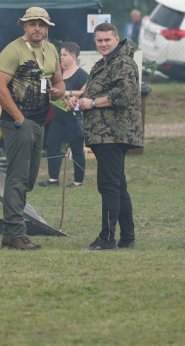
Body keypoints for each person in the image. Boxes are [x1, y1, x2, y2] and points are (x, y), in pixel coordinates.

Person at [0, 7, 65, 250]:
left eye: (42, 24)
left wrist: (60, 91)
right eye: (33, 24)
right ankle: (14, 233)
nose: (37, 28)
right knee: (18, 178)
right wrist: (19, 118)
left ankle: (12, 232)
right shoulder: (13, 50)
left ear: (47, 28)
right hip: (18, 123)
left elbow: (58, 80)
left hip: (39, 121)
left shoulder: (50, 49)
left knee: (29, 179)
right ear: (24, 25)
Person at [72, 23, 142, 250]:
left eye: (107, 40)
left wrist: (91, 103)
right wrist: (80, 98)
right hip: (104, 133)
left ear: (116, 39)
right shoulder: (104, 63)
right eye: (99, 40)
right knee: (118, 186)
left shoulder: (122, 62)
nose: (103, 44)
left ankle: (107, 238)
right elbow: (95, 90)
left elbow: (125, 94)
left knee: (109, 186)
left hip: (113, 132)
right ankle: (128, 239)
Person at [39, 41, 89, 188]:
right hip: (58, 117)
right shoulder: (58, 74)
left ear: (73, 56)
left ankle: (78, 181)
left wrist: (66, 93)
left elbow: (84, 92)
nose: (61, 58)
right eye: (61, 55)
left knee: (76, 149)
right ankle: (53, 178)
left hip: (74, 118)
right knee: (52, 144)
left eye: (64, 55)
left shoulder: (82, 74)